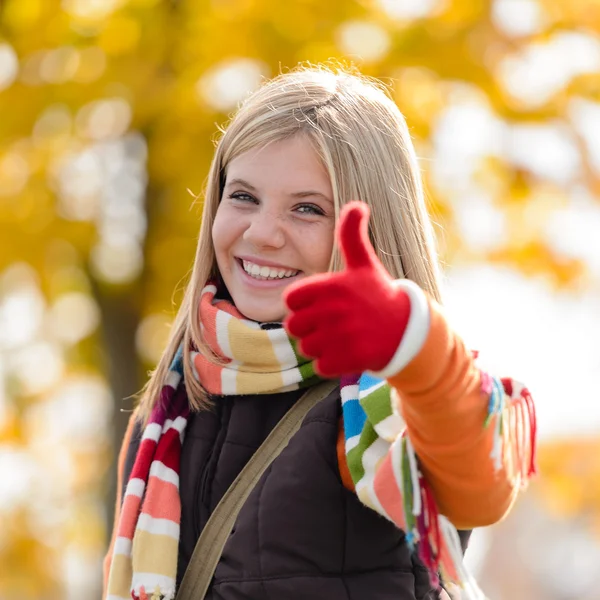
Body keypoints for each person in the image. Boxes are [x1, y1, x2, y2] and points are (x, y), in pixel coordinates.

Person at [103, 64, 537, 600]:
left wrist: (417, 351)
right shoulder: (169, 409)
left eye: (307, 209)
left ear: (372, 229)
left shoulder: (376, 390)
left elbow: (480, 487)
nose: (262, 233)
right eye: (243, 196)